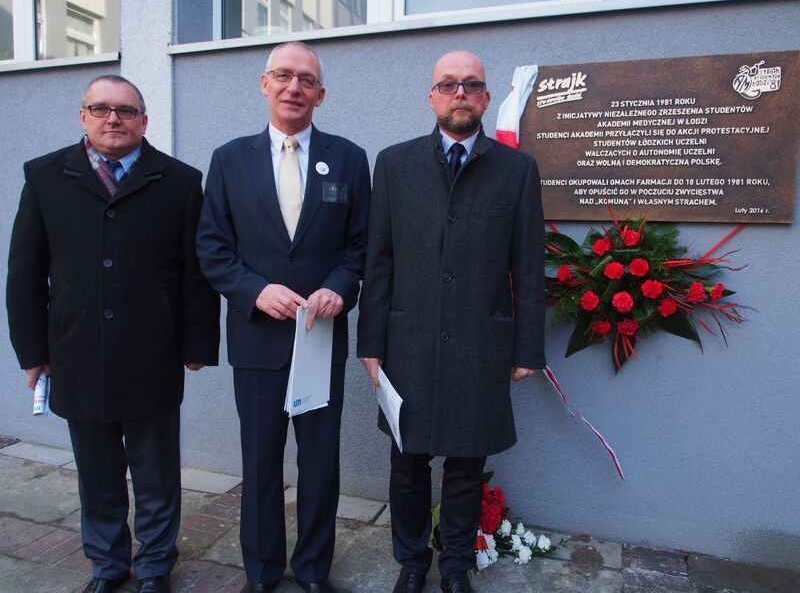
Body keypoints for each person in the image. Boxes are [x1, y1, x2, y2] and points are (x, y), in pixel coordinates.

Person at [6, 75, 221, 593]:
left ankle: (154, 566)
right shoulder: (45, 177)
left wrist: (196, 346)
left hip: (152, 352)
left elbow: (195, 273)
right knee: (97, 474)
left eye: (125, 111)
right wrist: (32, 351)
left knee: (156, 475)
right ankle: (107, 565)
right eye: (100, 109)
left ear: (143, 121)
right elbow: (25, 273)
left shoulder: (178, 181)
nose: (113, 119)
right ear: (83, 117)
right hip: (75, 352)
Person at [357, 50, 546, 593]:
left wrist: (527, 349)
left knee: (466, 465)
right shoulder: (394, 164)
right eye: (448, 85)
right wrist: (370, 342)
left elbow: (527, 266)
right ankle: (412, 562)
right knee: (408, 465)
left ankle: (457, 566)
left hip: (478, 342)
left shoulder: (517, 170)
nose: (459, 93)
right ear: (432, 97)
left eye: (471, 85)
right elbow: (380, 260)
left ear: (485, 98)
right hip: (407, 340)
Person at [195, 41, 370, 593]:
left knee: (320, 465)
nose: (294, 87)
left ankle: (314, 570)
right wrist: (254, 289)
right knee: (261, 465)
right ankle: (263, 572)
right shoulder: (228, 159)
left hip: (320, 338)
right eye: (283, 76)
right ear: (264, 84)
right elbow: (213, 248)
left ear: (321, 93)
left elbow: (361, 245)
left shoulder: (348, 158)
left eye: (306, 79)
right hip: (257, 340)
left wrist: (341, 289)